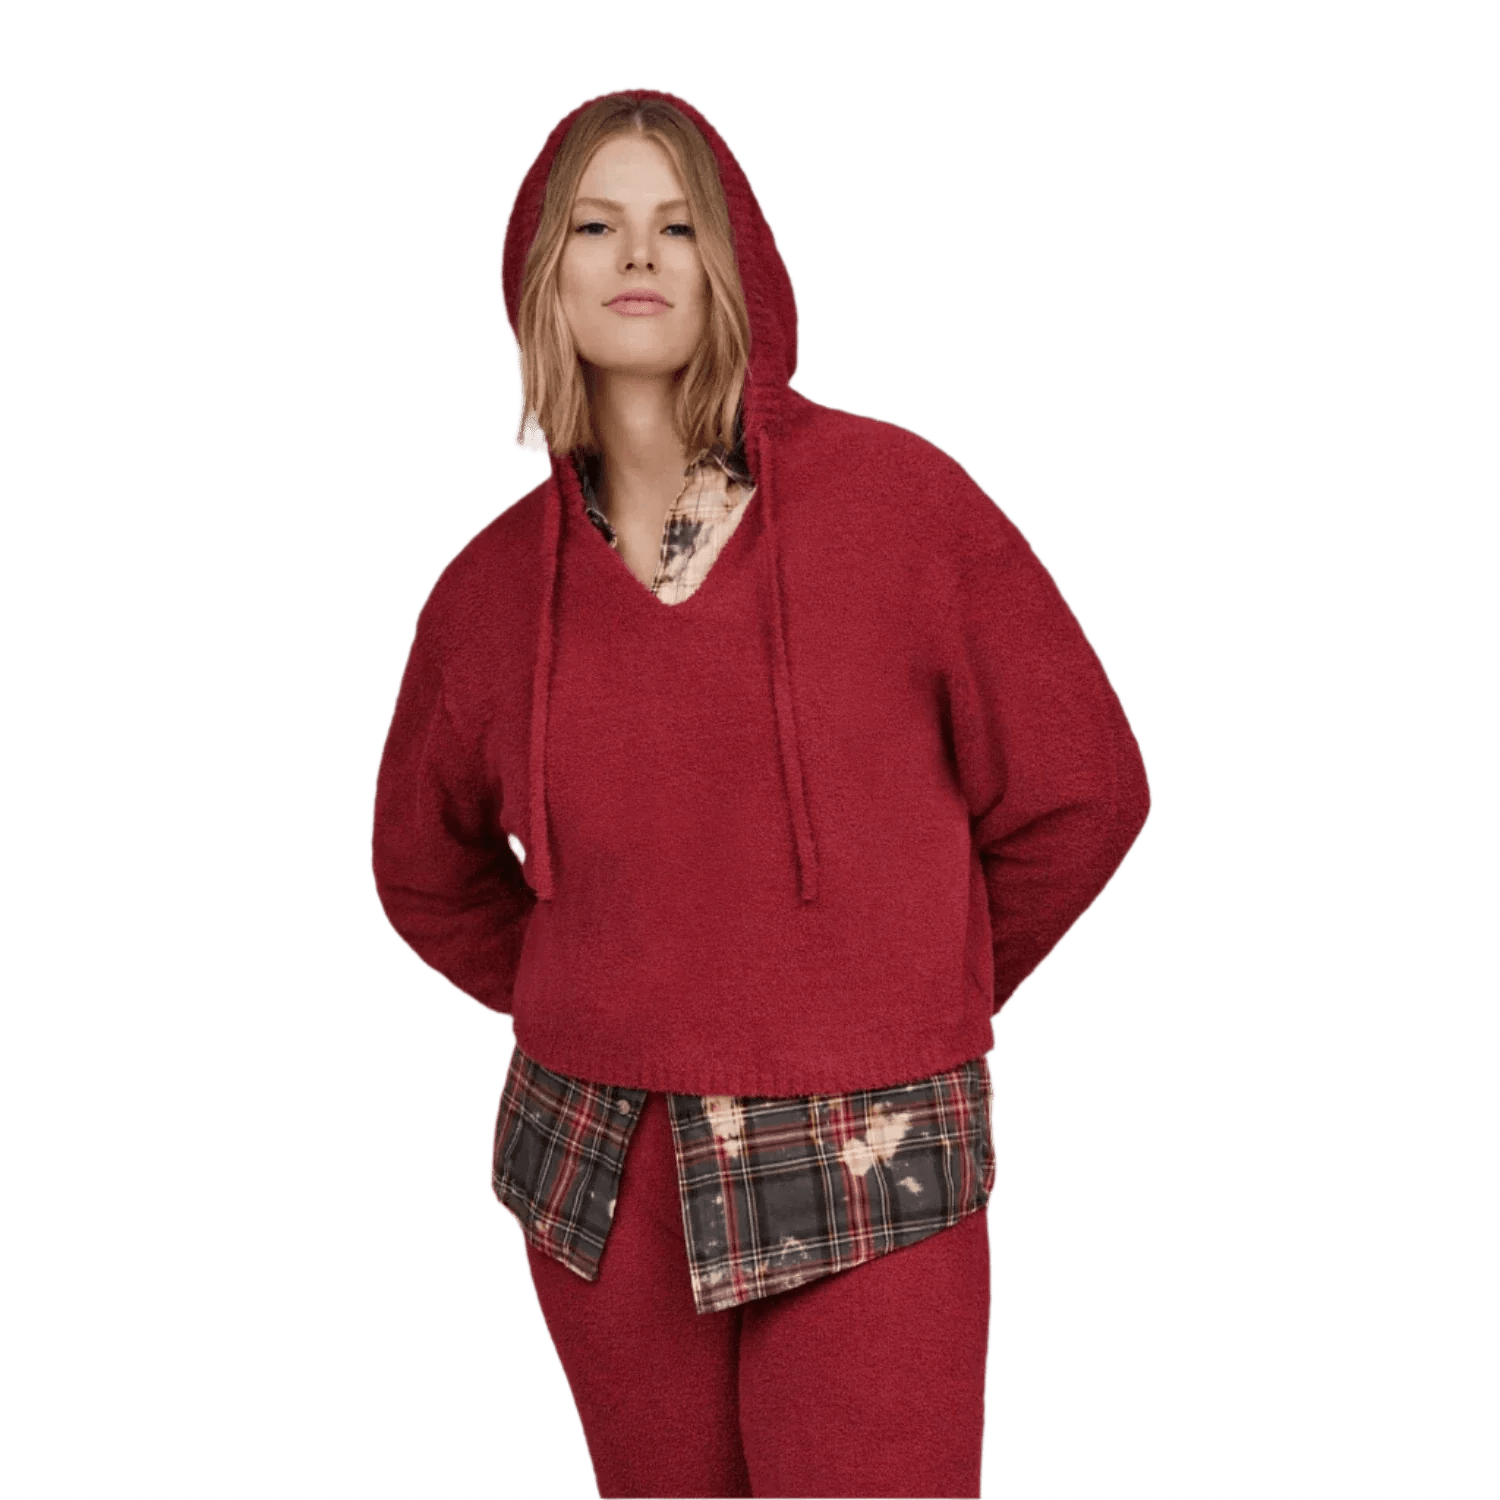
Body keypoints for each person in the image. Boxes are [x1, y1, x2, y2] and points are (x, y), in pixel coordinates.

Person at [370, 86, 1154, 1500]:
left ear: (733, 267)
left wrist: (907, 988)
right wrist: (599, 985)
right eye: (596, 226)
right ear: (542, 275)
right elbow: (424, 872)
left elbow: (1082, 792)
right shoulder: (485, 595)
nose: (639, 254)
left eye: (679, 226)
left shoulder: (903, 506)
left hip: (869, 1132)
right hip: (600, 1155)